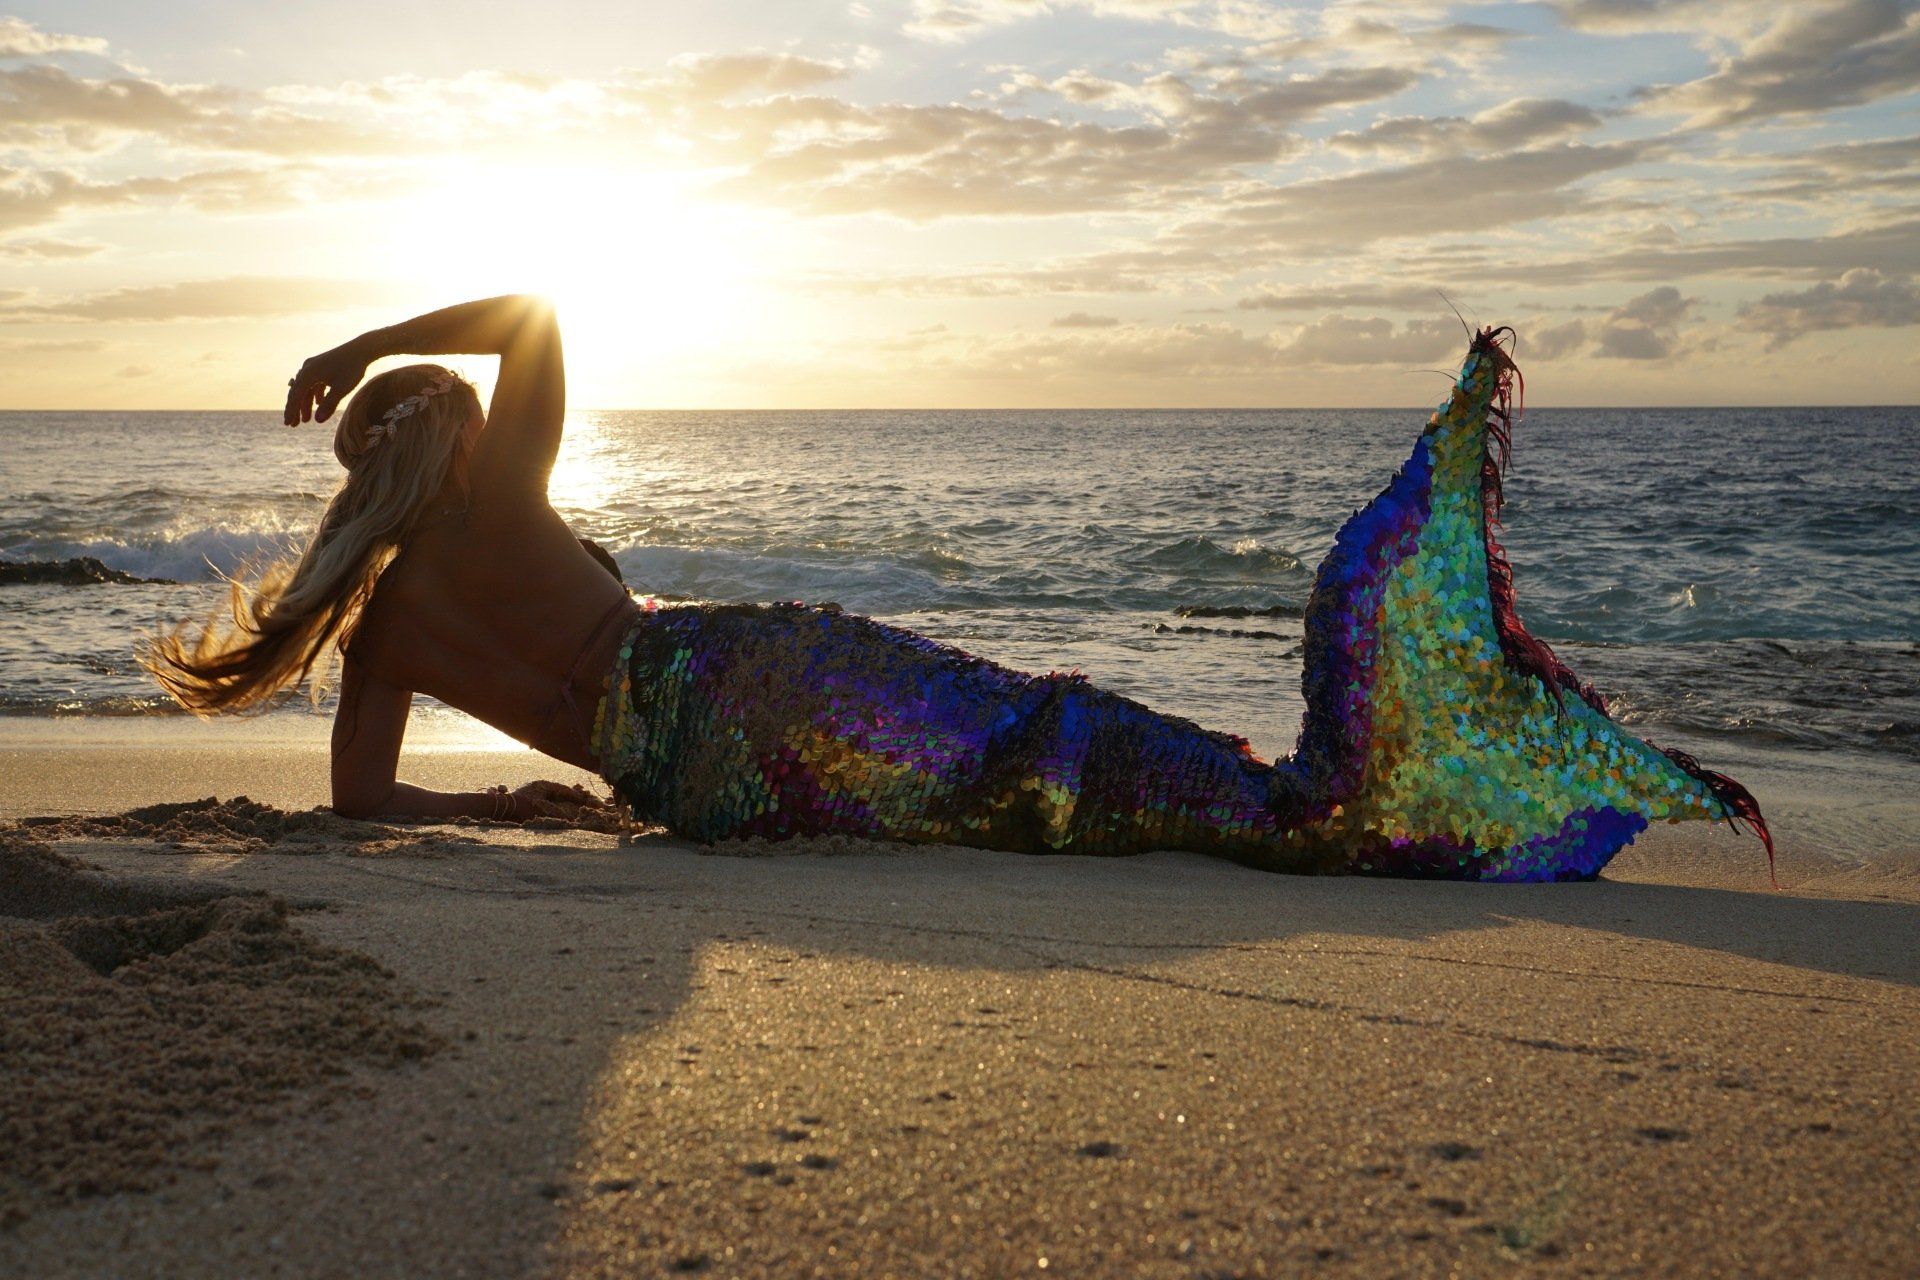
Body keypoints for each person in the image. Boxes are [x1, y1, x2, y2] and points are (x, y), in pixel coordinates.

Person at [142, 296, 1770, 881]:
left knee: (1002, 800)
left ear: (367, 484)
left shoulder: (382, 624)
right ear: (451, 437)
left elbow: (364, 817)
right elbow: (539, 311)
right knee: (1037, 742)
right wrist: (369, 340)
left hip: (701, 793)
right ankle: (1341, 807)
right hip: (747, 677)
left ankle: (1317, 819)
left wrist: (511, 812)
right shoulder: (503, 481)